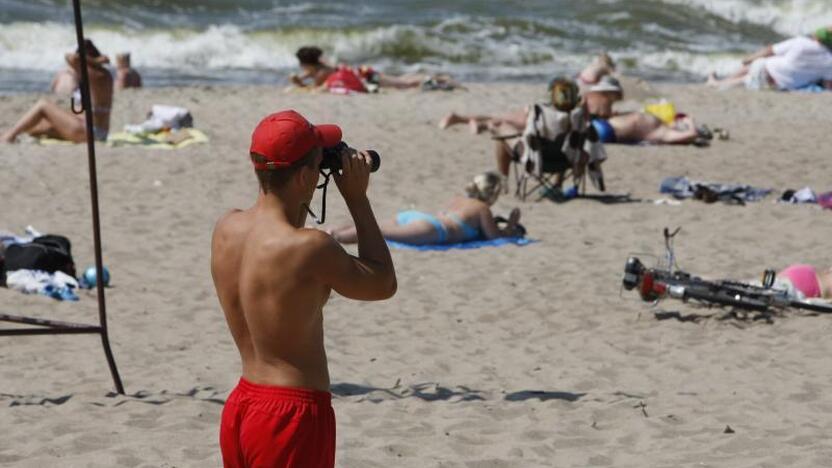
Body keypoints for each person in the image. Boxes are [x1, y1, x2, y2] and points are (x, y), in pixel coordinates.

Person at [211, 110, 396, 467]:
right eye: (318, 162)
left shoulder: (226, 228)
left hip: (241, 406)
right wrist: (357, 199)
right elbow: (383, 282)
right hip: (291, 414)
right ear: (304, 176)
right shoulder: (310, 248)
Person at [330, 171, 523, 245]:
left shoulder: (458, 199)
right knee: (375, 232)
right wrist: (511, 226)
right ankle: (335, 238)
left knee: (371, 224)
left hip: (417, 217)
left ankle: (332, 232)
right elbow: (494, 237)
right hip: (434, 229)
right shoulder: (482, 208)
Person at [1, 40, 112, 144]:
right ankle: (10, 133)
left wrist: (95, 61)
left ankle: (8, 136)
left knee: (43, 105)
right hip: (98, 133)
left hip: (89, 133)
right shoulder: (104, 75)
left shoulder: (95, 75)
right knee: (43, 125)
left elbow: (70, 58)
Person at [706, 26, 832, 91]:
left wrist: (749, 59)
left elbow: (770, 50)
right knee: (748, 79)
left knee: (753, 65)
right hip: (781, 86)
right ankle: (723, 84)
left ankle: (719, 83)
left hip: (765, 71)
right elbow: (828, 85)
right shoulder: (830, 60)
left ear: (817, 37)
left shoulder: (800, 42)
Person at [290, 45, 460, 92]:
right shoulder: (321, 67)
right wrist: (299, 79)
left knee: (403, 84)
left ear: (306, 62)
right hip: (364, 73)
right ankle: (431, 76)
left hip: (366, 78)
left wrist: (299, 84)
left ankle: (439, 79)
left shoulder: (321, 72)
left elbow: (315, 88)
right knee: (400, 80)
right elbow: (306, 76)